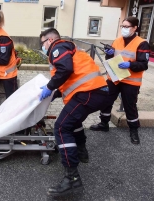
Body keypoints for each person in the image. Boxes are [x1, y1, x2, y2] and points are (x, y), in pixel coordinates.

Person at [39, 28, 109, 196]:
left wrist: (49, 87)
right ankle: (81, 151)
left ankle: (72, 180)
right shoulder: (70, 48)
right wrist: (53, 93)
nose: (42, 47)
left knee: (61, 128)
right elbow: (71, 77)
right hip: (95, 92)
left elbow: (65, 70)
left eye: (42, 43)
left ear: (49, 40)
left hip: (88, 93)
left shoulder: (57, 47)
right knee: (73, 122)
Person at [90, 16, 150, 145]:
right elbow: (111, 57)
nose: (124, 29)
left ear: (135, 28)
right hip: (114, 77)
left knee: (130, 105)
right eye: (122, 26)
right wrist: (109, 52)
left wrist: (130, 65)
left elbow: (144, 64)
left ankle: (133, 130)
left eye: (127, 27)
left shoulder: (142, 43)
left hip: (130, 81)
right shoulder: (117, 41)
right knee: (106, 100)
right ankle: (104, 123)